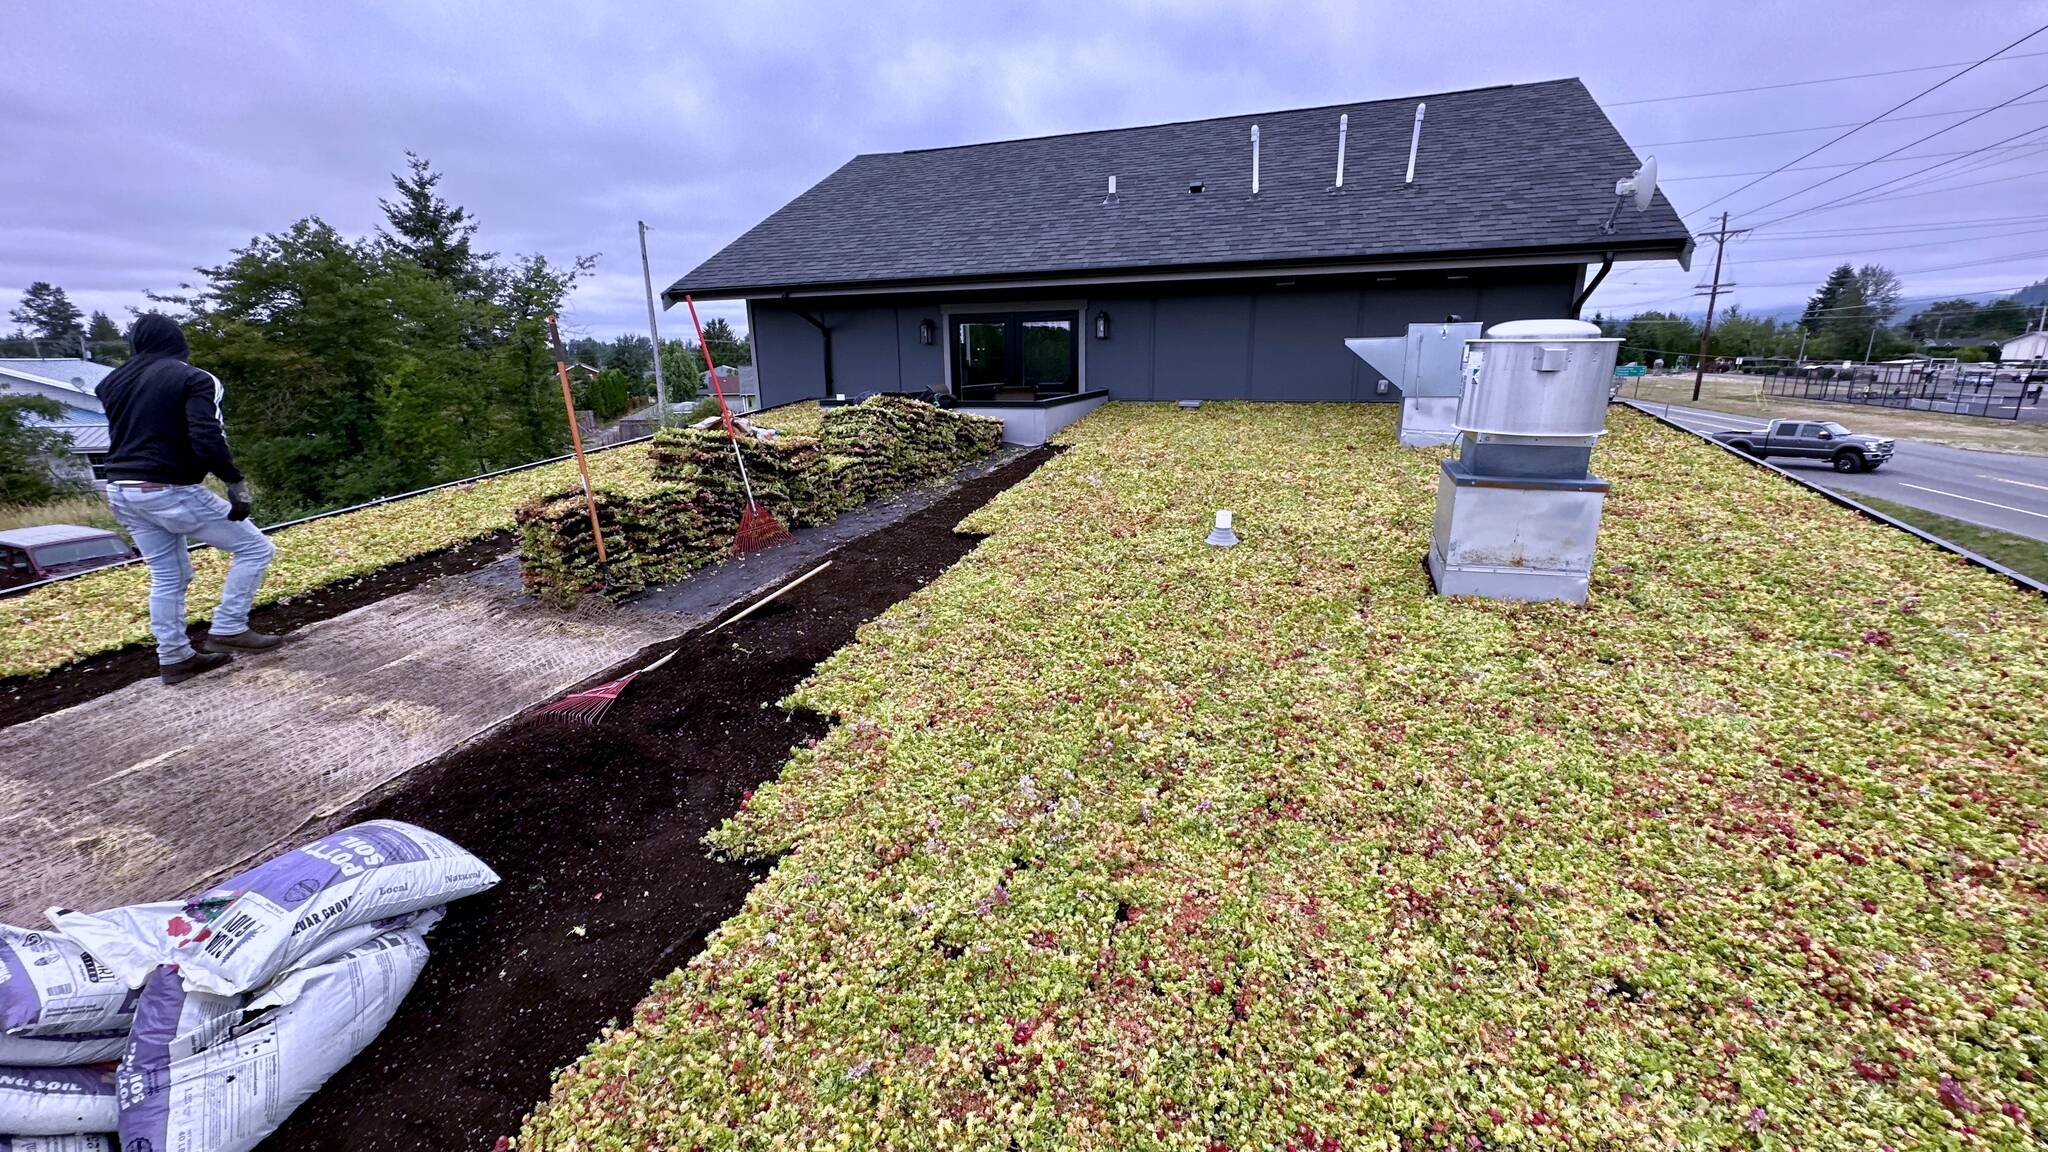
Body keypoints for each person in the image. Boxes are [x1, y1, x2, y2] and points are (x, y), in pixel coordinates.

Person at [96, 315, 281, 684]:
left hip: (120, 489)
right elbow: (206, 436)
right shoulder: (194, 378)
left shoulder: (112, 382)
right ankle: (229, 627)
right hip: (168, 488)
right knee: (256, 549)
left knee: (168, 575)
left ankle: (175, 658)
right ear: (179, 343)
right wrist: (234, 482)